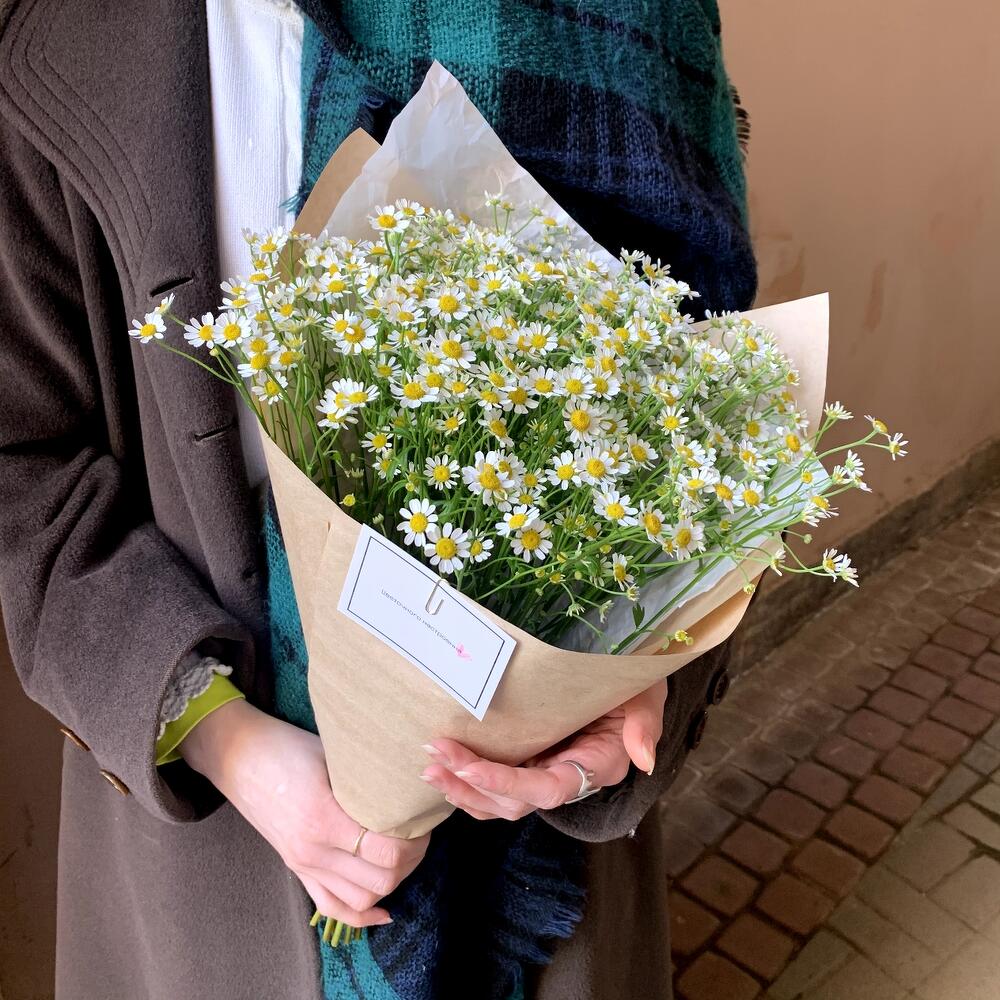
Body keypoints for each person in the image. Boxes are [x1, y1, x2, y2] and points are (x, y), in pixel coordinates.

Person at [0, 0, 756, 997]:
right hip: (205, 879)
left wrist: (643, 655)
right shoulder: (59, 40)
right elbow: (24, 468)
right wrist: (219, 733)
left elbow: (700, 374)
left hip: (535, 846)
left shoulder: (613, 21)